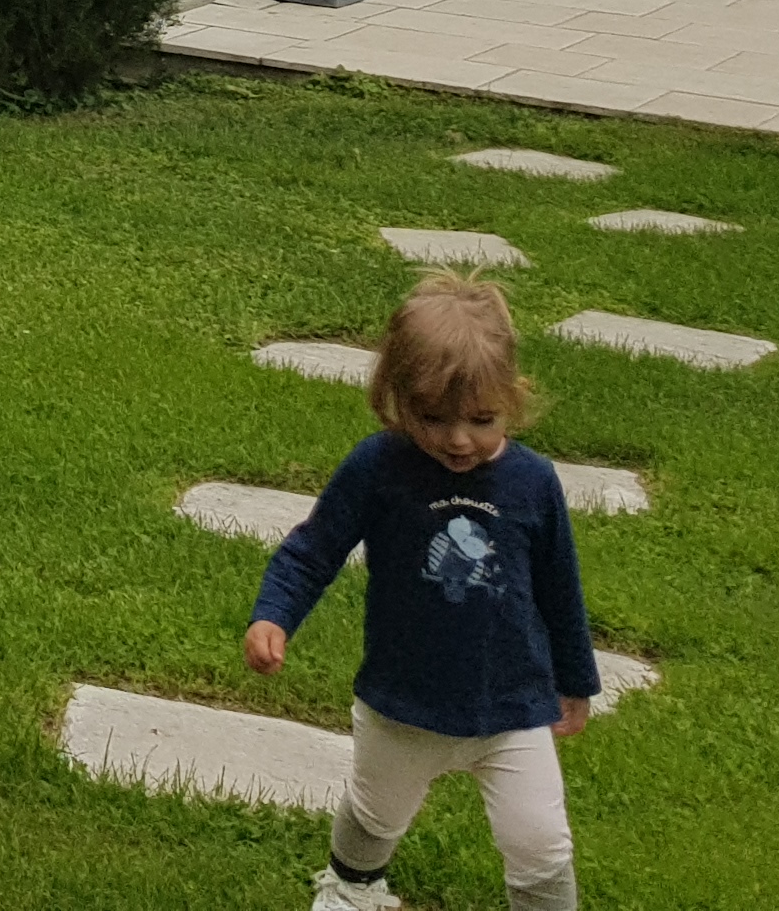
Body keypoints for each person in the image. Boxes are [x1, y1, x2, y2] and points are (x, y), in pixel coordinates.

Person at [244, 271, 600, 911]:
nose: (458, 439)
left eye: (482, 419)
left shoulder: (533, 483)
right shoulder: (377, 468)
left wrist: (575, 679)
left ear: (513, 398)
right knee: (377, 812)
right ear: (396, 400)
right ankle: (351, 889)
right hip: (402, 699)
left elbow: (559, 588)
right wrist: (274, 614)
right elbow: (313, 549)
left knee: (540, 841)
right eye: (433, 419)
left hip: (513, 703)